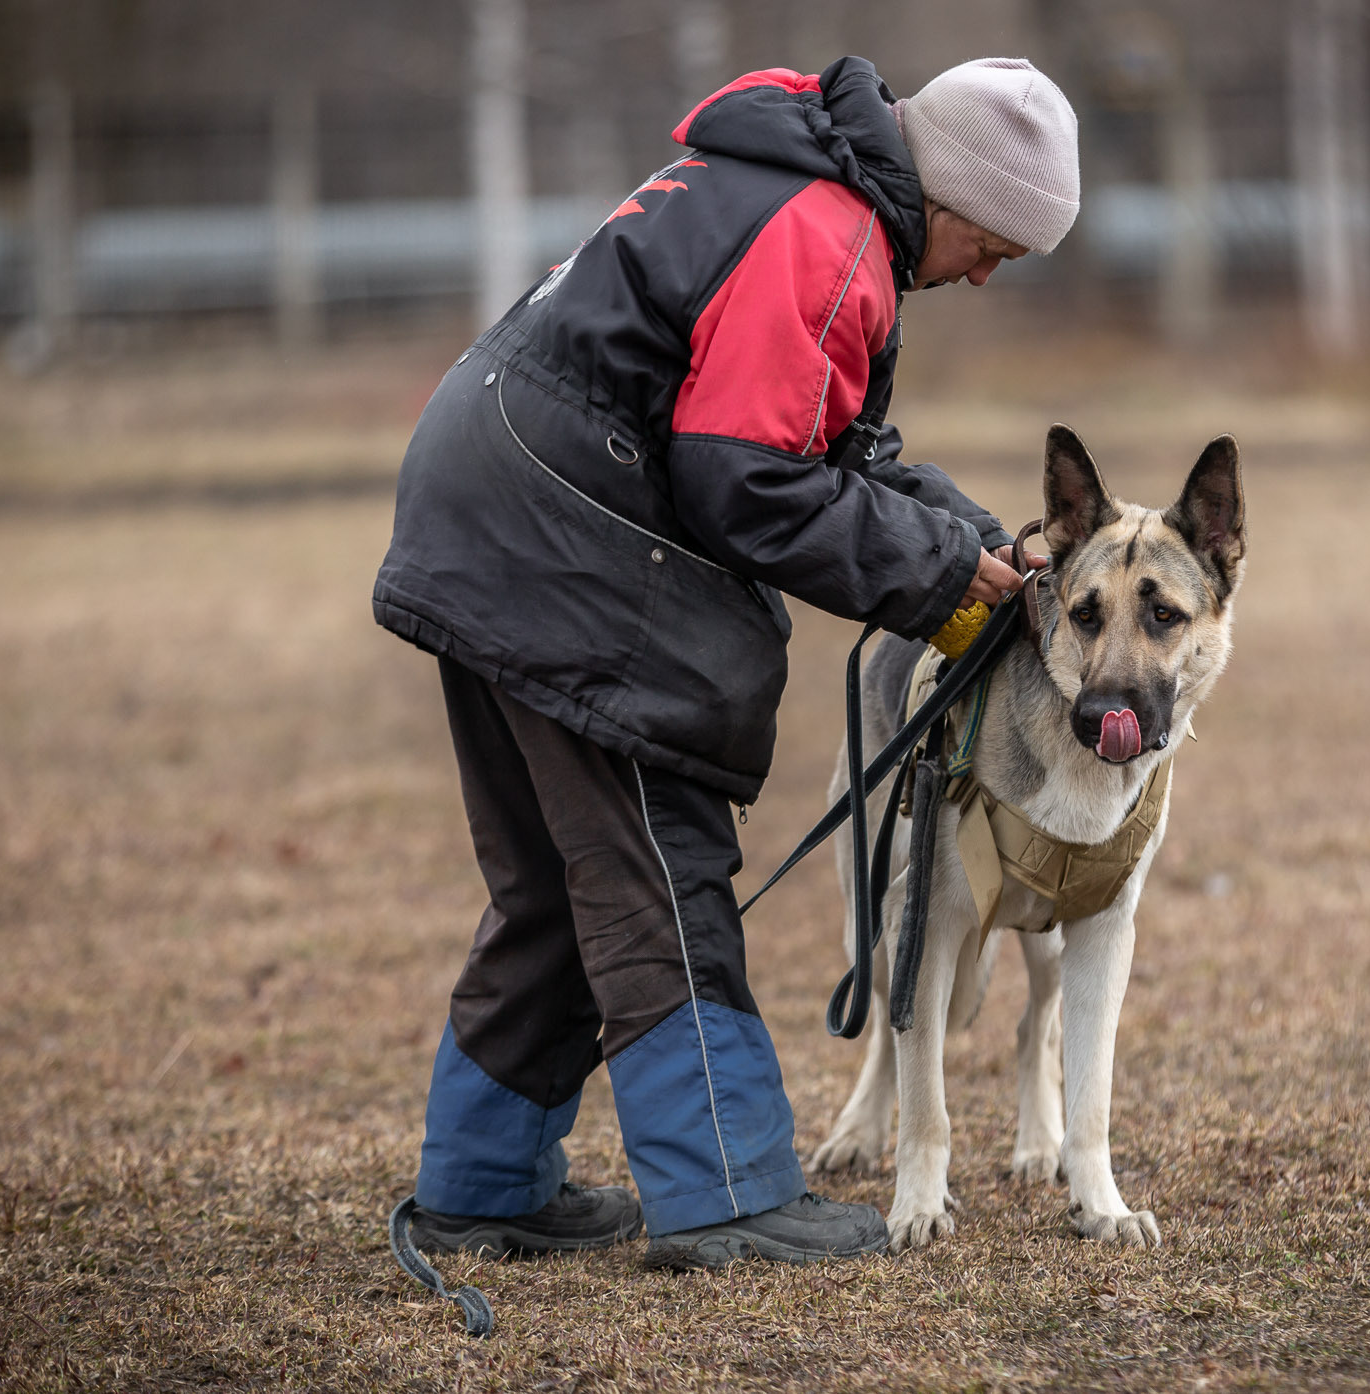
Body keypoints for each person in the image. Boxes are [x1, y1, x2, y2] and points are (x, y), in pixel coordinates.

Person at [372, 55, 1078, 1269]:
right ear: (951, 193)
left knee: (557, 885)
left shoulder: (788, 187)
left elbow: (826, 449)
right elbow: (743, 478)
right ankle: (726, 1191)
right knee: (661, 867)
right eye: (993, 244)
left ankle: (482, 1183)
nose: (985, 275)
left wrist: (965, 541)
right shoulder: (827, 236)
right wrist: (932, 572)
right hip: (560, 537)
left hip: (486, 506)